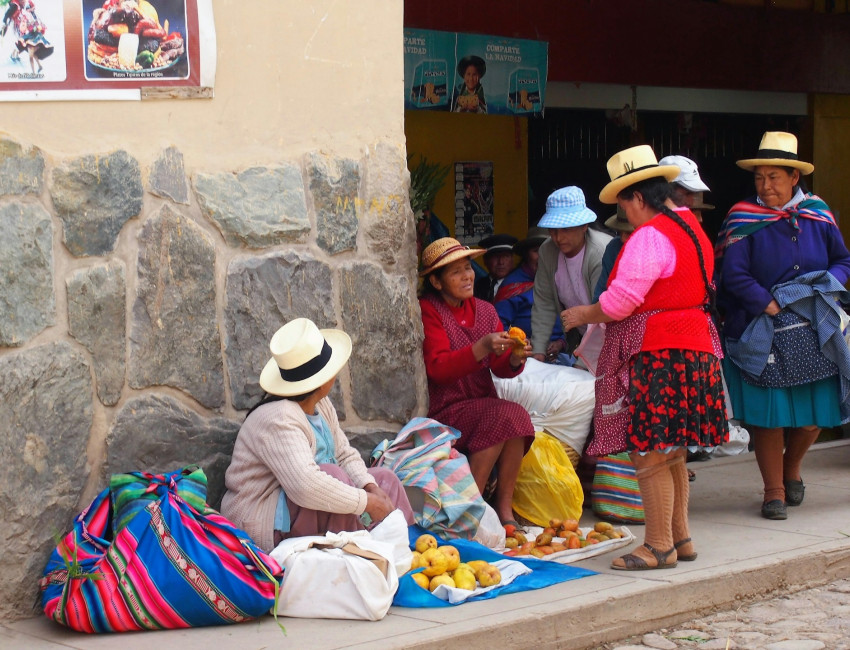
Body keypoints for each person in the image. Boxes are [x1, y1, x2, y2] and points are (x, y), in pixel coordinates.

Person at [562, 145, 728, 570]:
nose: (625, 215)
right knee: (672, 448)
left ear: (636, 197)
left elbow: (620, 303)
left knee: (649, 448)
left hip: (660, 351)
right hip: (695, 347)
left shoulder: (650, 236)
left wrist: (583, 313)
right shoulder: (692, 228)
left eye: (623, 204)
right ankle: (680, 538)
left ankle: (657, 545)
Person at [715, 131, 850, 521]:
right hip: (762, 324)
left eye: (774, 177)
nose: (765, 185)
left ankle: (792, 469)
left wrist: (826, 288)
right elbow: (733, 273)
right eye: (760, 177)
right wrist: (767, 302)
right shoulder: (743, 218)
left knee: (812, 416)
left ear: (794, 178)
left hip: (813, 324)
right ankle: (773, 491)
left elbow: (842, 261)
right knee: (769, 415)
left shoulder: (818, 215)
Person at [221, 318, 415, 552]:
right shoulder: (278, 417)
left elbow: (343, 454)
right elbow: (306, 485)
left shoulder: (321, 405)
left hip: (307, 509)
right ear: (323, 380)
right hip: (265, 522)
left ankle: (405, 553)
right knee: (332, 475)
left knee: (385, 480)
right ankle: (362, 557)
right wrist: (365, 502)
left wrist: (370, 487)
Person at [419, 237, 535, 526]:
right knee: (500, 417)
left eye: (468, 267)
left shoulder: (484, 310)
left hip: (483, 402)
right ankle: (472, 507)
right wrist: (482, 347)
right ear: (436, 282)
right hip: (448, 407)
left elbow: (499, 367)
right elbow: (438, 368)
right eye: (455, 272)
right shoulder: (429, 310)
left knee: (516, 416)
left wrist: (514, 358)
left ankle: (504, 510)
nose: (467, 276)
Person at [530, 186, 612, 363]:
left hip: (609, 339)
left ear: (584, 226)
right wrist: (538, 352)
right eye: (553, 230)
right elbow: (544, 303)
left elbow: (603, 316)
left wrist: (584, 363)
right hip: (580, 336)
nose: (558, 238)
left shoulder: (600, 253)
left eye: (565, 229)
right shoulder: (547, 250)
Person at [494, 227, 563, 347]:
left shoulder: (562, 280)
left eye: (549, 251)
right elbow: (498, 326)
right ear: (526, 255)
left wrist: (560, 343)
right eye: (536, 251)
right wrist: (524, 343)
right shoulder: (512, 285)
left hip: (562, 353)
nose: (543, 256)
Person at [592, 206, 635, 302]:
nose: (623, 238)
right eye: (620, 232)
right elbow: (600, 295)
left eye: (629, 232)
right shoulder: (614, 248)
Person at [474, 233, 518, 302]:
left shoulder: (520, 284)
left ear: (512, 259)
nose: (501, 262)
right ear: (485, 260)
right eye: (495, 257)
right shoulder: (478, 286)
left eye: (505, 256)